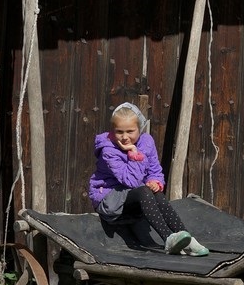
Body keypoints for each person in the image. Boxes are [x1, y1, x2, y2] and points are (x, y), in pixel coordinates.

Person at [88, 102, 209, 256]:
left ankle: (187, 238)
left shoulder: (146, 142)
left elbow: (155, 170)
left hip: (132, 197)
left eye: (130, 131)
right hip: (110, 201)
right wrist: (134, 153)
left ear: (140, 129)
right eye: (119, 132)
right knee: (144, 191)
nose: (125, 137)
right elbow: (130, 181)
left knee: (156, 194)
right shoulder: (108, 150)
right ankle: (168, 238)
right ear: (113, 131)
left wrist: (155, 182)